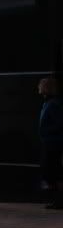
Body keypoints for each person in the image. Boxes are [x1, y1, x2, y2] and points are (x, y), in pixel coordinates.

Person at [38, 77, 63, 209]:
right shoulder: (49, 103)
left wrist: (46, 131)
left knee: (54, 171)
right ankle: (57, 200)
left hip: (53, 142)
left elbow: (59, 123)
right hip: (50, 142)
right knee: (52, 171)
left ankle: (59, 200)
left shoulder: (53, 104)